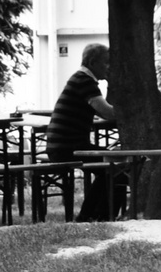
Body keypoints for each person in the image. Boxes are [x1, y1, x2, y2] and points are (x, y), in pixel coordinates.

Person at [45, 43, 124, 221]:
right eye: (106, 62)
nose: (109, 67)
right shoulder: (84, 81)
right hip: (67, 147)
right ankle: (100, 217)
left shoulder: (81, 79)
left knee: (111, 166)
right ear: (92, 62)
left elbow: (104, 111)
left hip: (64, 145)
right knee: (118, 167)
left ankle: (92, 215)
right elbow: (108, 113)